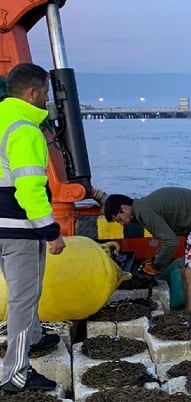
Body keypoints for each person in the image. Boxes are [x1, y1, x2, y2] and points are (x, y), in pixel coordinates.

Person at [0, 63, 65, 394]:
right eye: (44, 93)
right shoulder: (25, 129)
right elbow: (29, 189)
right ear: (32, 93)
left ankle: (35, 336)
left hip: (0, 226)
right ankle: (15, 374)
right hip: (18, 229)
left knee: (20, 293)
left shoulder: (2, 118)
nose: (46, 100)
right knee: (23, 300)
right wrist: (50, 231)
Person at [103, 187, 191, 313]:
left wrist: (156, 265)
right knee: (184, 271)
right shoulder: (142, 207)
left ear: (125, 208)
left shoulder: (144, 211)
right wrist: (155, 259)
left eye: (119, 219)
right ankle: (190, 311)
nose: (121, 223)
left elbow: (171, 241)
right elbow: (167, 238)